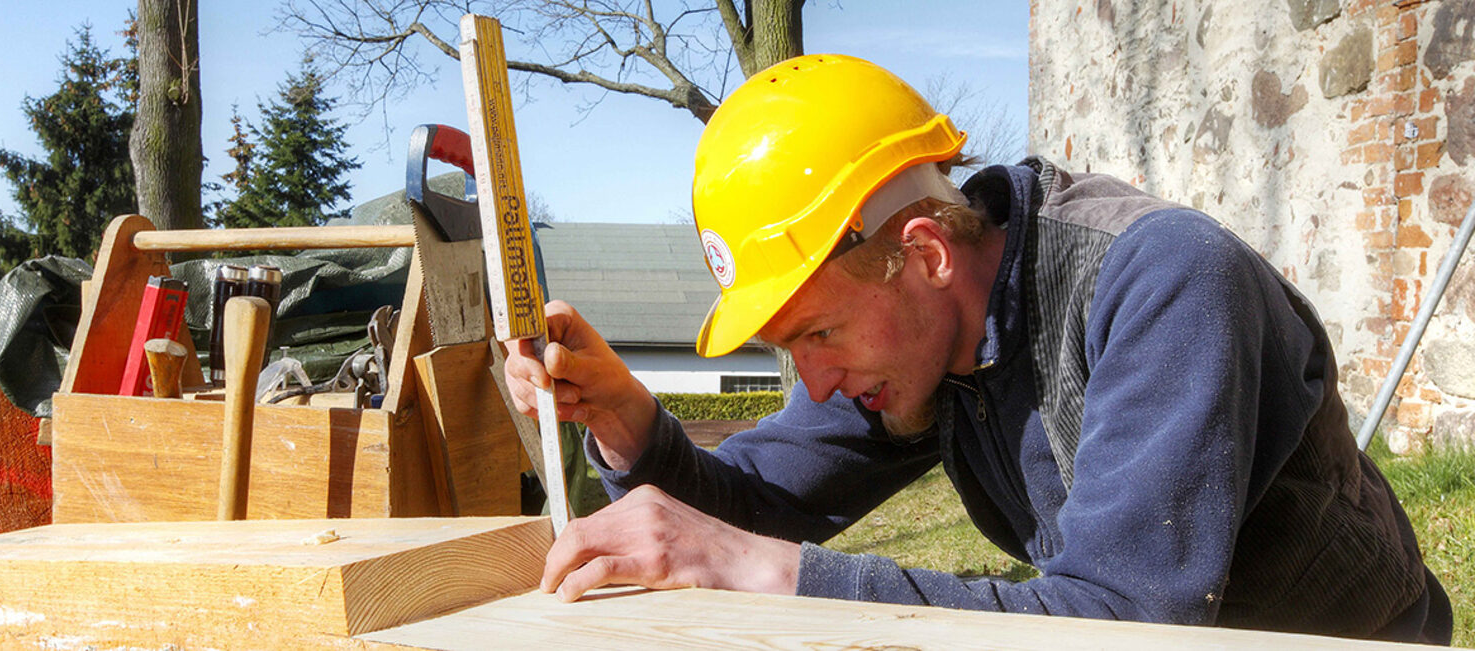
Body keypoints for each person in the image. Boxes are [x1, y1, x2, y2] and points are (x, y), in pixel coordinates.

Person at [502, 54, 1452, 643]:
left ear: (921, 253)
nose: (817, 380)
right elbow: (748, 507)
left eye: (818, 334)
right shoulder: (920, 342)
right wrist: (631, 427)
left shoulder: (1160, 281)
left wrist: (766, 568)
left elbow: (1130, 624)